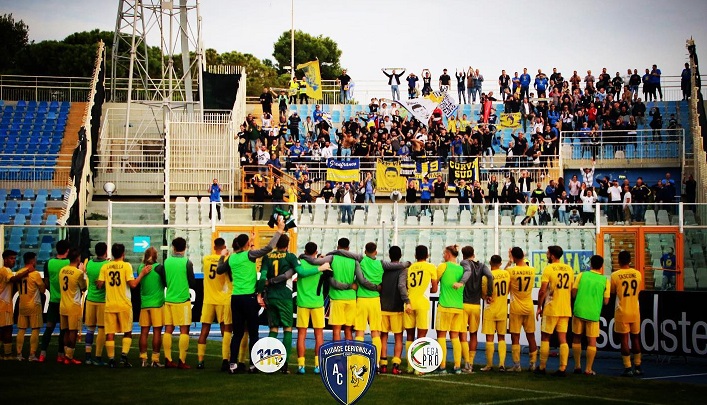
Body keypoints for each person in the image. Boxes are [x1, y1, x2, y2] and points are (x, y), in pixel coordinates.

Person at [217, 218, 285, 374]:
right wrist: (279, 230)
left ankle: (232, 364)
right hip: (249, 298)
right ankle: (254, 365)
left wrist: (222, 256)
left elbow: (220, 269)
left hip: (236, 298)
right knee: (253, 332)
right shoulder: (250, 255)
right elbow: (268, 247)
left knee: (237, 333)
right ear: (247, 245)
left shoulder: (232, 257)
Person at [97, 243, 151, 368]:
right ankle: (123, 357)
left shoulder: (106, 266)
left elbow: (99, 284)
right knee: (127, 332)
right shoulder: (126, 266)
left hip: (110, 304)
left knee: (110, 333)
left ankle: (111, 359)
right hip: (124, 304)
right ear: (123, 253)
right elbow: (133, 284)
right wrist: (142, 273)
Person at [258, 233, 301, 374]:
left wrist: (260, 292)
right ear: (288, 244)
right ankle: (284, 364)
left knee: (273, 329)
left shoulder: (267, 256)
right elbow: (300, 271)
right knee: (287, 329)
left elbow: (263, 275)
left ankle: (269, 362)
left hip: (270, 296)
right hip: (284, 297)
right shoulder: (290, 257)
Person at [153, 237, 195, 369]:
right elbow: (192, 282)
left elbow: (164, 279)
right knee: (184, 330)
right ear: (185, 248)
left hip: (169, 299)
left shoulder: (166, 262)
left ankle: (168, 359)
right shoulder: (187, 262)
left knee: (168, 330)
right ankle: (182, 361)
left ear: (173, 247)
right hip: (182, 300)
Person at [535, 245, 574, 376]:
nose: (546, 255)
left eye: (547, 253)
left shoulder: (549, 268)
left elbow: (542, 290)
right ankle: (563, 368)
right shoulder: (569, 269)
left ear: (552, 255)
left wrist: (539, 307)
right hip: (565, 308)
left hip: (552, 307)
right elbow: (572, 289)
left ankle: (542, 367)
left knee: (546, 337)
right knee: (563, 338)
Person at [196, 238, 233, 370]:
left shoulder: (206, 259)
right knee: (226, 331)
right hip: (222, 299)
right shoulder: (226, 259)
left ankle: (200, 361)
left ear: (214, 246)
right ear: (224, 247)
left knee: (204, 330)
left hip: (208, 300)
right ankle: (225, 360)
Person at [294, 242, 331, 374]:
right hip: (317, 303)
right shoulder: (321, 264)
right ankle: (317, 366)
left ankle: (301, 365)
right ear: (316, 252)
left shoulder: (300, 263)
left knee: (301, 335)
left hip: (303, 302)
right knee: (319, 335)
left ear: (304, 250)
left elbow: (300, 274)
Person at [571, 254, 610, 376]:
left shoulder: (582, 275)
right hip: (593, 313)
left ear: (590, 264)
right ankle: (588, 369)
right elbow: (606, 301)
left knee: (577, 338)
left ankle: (577, 366)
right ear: (601, 266)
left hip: (579, 310)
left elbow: (573, 293)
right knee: (591, 341)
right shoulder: (605, 280)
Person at [404, 245, 438, 373]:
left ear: (415, 255)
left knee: (409, 336)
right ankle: (418, 367)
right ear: (427, 255)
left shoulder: (410, 268)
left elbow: (407, 286)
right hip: (422, 303)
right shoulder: (430, 267)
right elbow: (434, 289)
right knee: (421, 336)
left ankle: (409, 366)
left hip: (409, 303)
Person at [460, 246, 493, 374]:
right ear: (473, 254)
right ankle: (471, 363)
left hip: (464, 303)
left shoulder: (464, 263)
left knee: (462, 333)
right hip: (476, 304)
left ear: (463, 255)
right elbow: (490, 276)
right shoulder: (482, 265)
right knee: (473, 334)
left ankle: (466, 363)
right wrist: (489, 293)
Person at [379, 246, 410, 375]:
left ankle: (383, 364)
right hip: (396, 307)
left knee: (383, 337)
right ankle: (396, 365)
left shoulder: (383, 268)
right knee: (398, 337)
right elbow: (401, 286)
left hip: (382, 306)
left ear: (389, 254)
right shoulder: (403, 270)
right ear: (401, 255)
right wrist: (406, 300)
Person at [611, 251, 643, 377]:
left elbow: (613, 292)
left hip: (622, 311)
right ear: (630, 260)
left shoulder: (615, 275)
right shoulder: (637, 274)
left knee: (624, 340)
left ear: (619, 260)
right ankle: (638, 365)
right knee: (635, 338)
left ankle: (628, 367)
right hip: (635, 310)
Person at [505, 247, 538, 372]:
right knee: (531, 336)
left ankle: (517, 364)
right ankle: (533, 363)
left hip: (516, 307)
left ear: (513, 257)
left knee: (515, 337)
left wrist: (509, 262)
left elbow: (503, 278)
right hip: (528, 306)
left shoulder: (510, 271)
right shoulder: (532, 270)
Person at [435, 245, 465, 374]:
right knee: (455, 336)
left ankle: (442, 366)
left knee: (441, 335)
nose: (443, 255)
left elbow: (434, 281)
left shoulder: (443, 266)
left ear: (448, 254)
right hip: (458, 306)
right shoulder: (461, 269)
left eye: (444, 253)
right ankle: (457, 366)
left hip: (445, 305)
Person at [39, 239, 70, 363]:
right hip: (65, 301)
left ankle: (42, 354)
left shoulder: (49, 263)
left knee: (49, 327)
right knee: (64, 328)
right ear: (67, 250)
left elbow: (46, 282)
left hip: (53, 300)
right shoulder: (69, 263)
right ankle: (60, 354)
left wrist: (52, 291)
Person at [480, 255, 509, 372]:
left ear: (490, 262)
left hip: (490, 310)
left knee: (489, 338)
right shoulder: (507, 274)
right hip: (502, 310)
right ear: (501, 263)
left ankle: (489, 365)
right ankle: (502, 364)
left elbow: (483, 295)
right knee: (502, 338)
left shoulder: (486, 277)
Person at [138, 247, 166, 368]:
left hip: (145, 304)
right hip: (157, 304)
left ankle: (143, 359)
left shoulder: (140, 268)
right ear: (156, 256)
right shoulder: (159, 268)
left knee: (144, 332)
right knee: (157, 332)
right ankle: (155, 359)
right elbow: (166, 283)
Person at [14, 252, 44, 361]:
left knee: (21, 329)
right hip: (34, 304)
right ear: (32, 261)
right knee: (35, 329)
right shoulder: (35, 274)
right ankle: (32, 354)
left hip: (22, 304)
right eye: (35, 260)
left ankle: (19, 354)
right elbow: (42, 289)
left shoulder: (19, 272)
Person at [58, 249, 87, 365]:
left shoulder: (62, 270)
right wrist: (83, 272)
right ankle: (69, 357)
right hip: (73, 305)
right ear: (78, 259)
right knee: (73, 331)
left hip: (63, 304)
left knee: (65, 331)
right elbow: (84, 287)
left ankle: (66, 355)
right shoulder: (78, 273)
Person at [83, 242, 109, 365]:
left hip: (90, 299)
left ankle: (88, 356)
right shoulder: (107, 265)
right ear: (105, 251)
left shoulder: (90, 264)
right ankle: (98, 357)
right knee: (102, 329)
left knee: (90, 329)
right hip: (102, 300)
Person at [1, 250, 26, 359]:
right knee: (7, 329)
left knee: (4, 329)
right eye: (11, 258)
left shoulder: (5, 270)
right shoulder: (6, 270)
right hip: (3, 305)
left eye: (15, 258)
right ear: (5, 259)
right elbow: (13, 279)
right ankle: (8, 354)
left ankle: (5, 353)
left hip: (4, 304)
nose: (13, 261)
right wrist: (27, 271)